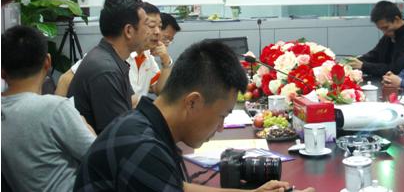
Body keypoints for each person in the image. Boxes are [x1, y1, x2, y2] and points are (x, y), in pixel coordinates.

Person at [74, 39, 315, 192]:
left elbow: (179, 187)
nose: (221, 128)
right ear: (192, 102)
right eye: (222, 116)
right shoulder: (143, 147)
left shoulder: (144, 123)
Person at [1, 25, 96, 192]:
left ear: (2, 72)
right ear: (47, 62)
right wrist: (85, 125)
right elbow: (99, 156)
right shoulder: (54, 108)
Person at [67, 0, 149, 133]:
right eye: (146, 24)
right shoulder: (106, 70)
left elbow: (131, 103)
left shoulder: (110, 58)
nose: (149, 31)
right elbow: (119, 135)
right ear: (129, 31)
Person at [55, 11, 181, 98]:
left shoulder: (147, 57)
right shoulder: (114, 54)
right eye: (152, 26)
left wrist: (166, 61)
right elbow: (65, 80)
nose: (157, 34)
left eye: (170, 40)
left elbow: (159, 90)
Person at [345, 0, 404, 76]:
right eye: (381, 29)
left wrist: (363, 66)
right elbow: (374, 54)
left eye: (386, 27)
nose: (384, 32)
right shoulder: (390, 34)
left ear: (396, 19)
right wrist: (354, 61)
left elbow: (397, 69)